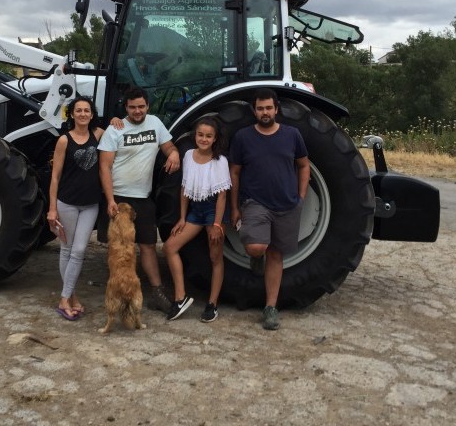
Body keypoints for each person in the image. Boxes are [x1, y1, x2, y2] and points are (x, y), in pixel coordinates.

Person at [229, 88, 310, 331]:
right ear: (254, 111)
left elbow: (303, 165)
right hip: (255, 202)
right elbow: (234, 172)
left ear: (276, 109)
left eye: (268, 108)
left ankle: (270, 308)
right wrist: (234, 207)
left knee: (275, 255)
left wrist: (301, 197)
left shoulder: (292, 135)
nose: (264, 112)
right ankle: (255, 257)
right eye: (260, 108)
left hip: (286, 204)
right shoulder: (243, 137)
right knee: (257, 247)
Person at [98, 86, 180, 314]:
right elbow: (104, 166)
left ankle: (156, 292)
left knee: (148, 246)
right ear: (126, 107)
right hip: (120, 199)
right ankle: (118, 293)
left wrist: (173, 153)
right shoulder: (115, 130)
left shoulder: (155, 123)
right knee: (118, 249)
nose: (137, 111)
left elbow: (168, 146)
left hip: (143, 198)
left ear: (147, 106)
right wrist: (110, 200)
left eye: (141, 106)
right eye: (132, 107)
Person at [163, 116, 231, 322]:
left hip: (213, 212)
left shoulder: (220, 161)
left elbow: (222, 196)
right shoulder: (188, 155)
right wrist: (182, 218)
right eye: (200, 135)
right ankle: (180, 297)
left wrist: (218, 224)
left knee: (215, 257)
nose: (203, 139)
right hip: (195, 210)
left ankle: (212, 304)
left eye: (208, 136)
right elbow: (185, 188)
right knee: (169, 247)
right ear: (195, 136)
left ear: (214, 138)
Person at [47, 96, 105, 321]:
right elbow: (55, 177)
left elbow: (118, 128)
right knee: (67, 249)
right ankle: (68, 298)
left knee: (79, 250)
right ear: (72, 114)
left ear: (92, 114)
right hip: (67, 203)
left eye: (86, 110)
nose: (82, 114)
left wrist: (119, 119)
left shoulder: (98, 135)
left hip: (90, 204)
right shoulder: (64, 141)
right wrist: (52, 209)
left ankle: (66, 296)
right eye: (78, 110)